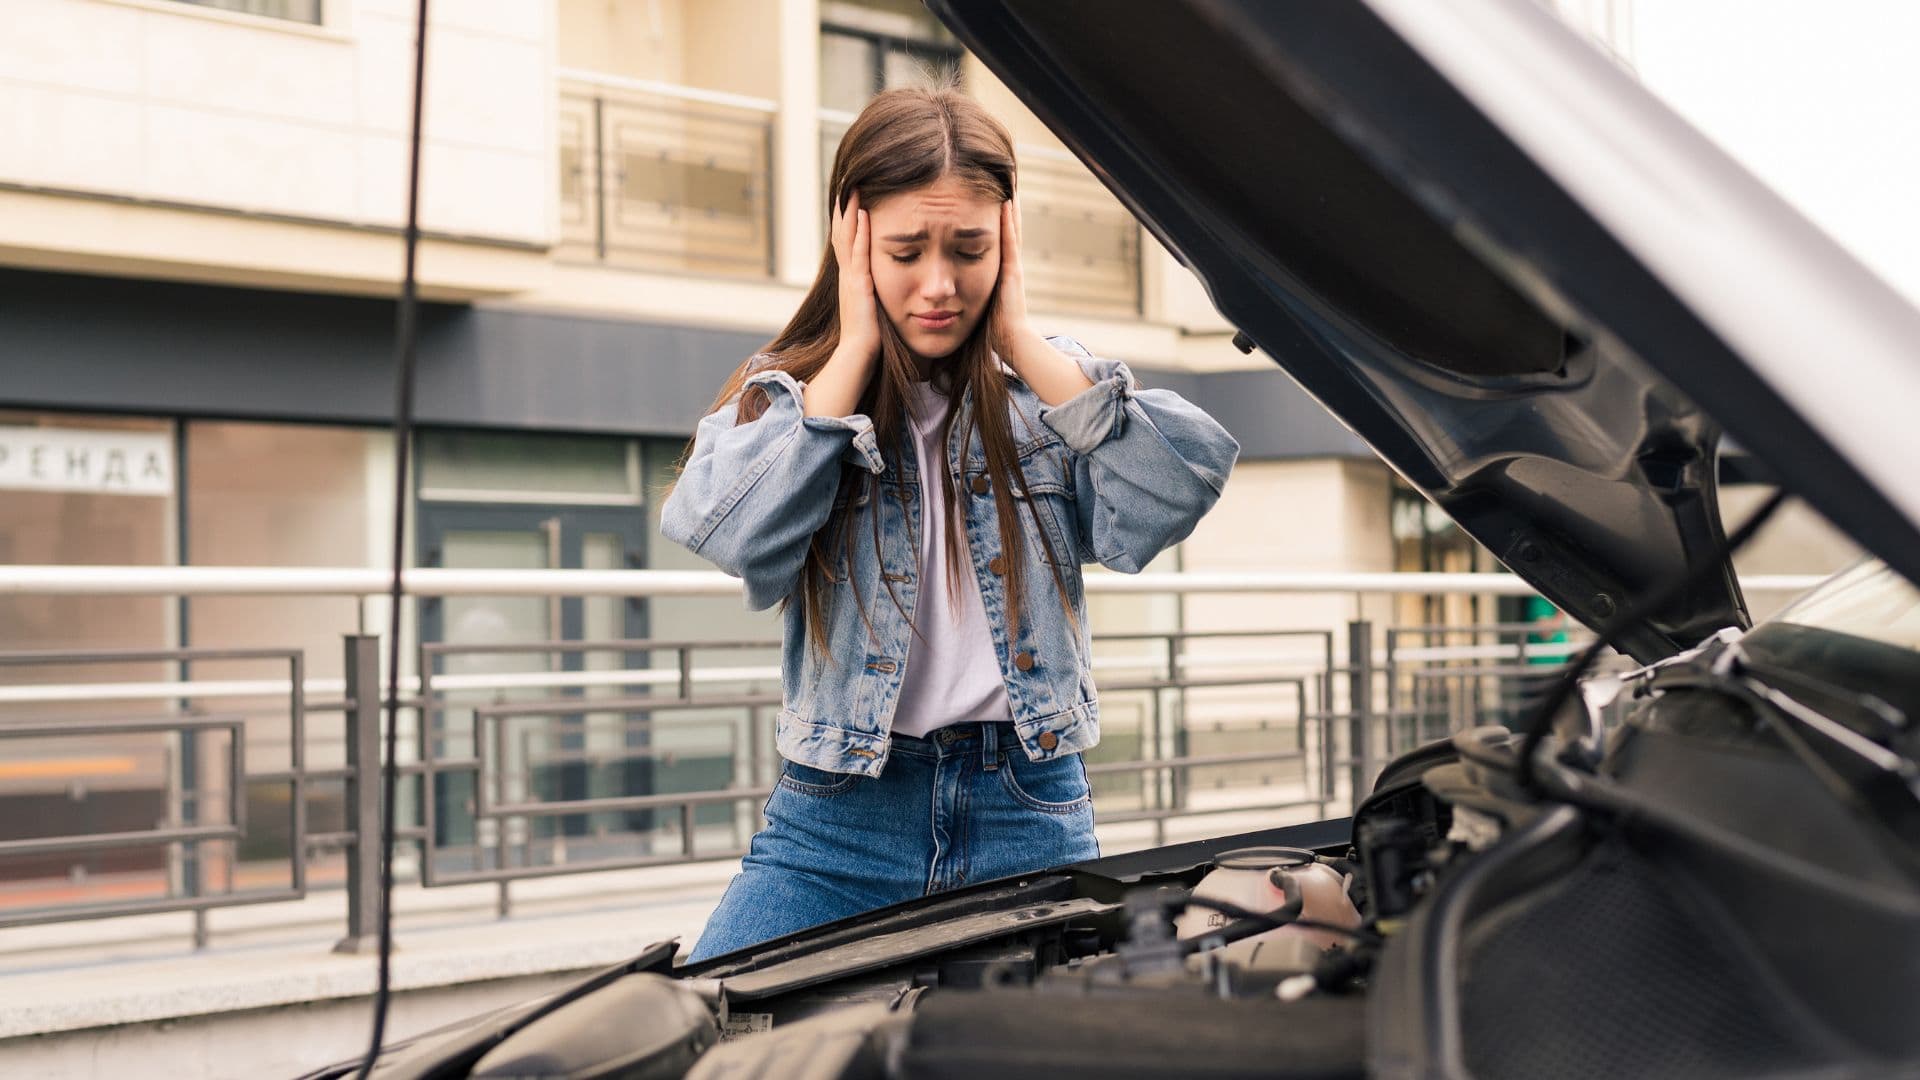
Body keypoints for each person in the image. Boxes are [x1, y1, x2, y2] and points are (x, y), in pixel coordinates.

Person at [661, 86, 1239, 962]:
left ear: (1006, 241)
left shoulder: (1052, 390)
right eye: (904, 251)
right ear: (851, 241)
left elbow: (1174, 491)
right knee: (710, 1021)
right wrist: (853, 349)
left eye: (969, 249)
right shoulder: (794, 394)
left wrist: (1020, 336)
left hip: (1029, 808)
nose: (940, 285)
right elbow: (729, 533)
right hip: (839, 821)